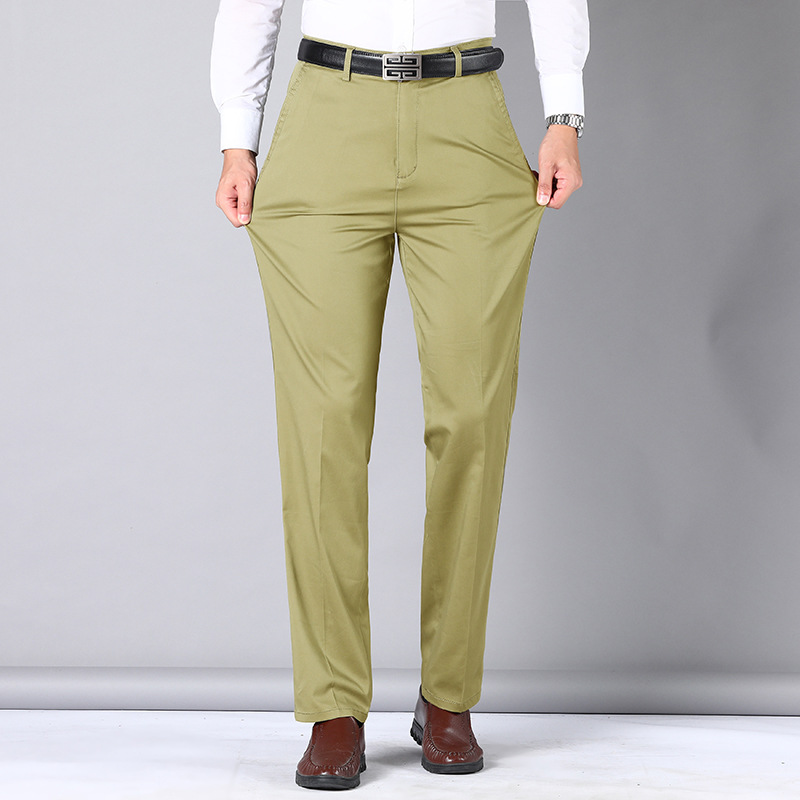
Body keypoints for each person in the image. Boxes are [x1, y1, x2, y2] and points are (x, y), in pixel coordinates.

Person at [211, 0, 589, 790]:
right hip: (329, 115)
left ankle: (449, 693)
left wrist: (564, 114)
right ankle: (332, 704)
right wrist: (237, 138)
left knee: (473, 416)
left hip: (467, 115)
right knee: (322, 425)